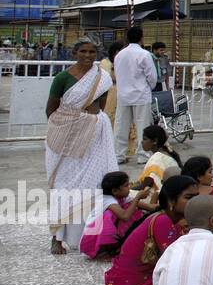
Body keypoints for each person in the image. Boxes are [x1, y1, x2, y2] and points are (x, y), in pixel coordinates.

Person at [44, 36, 120, 255]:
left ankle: (93, 235)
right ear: (74, 53)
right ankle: (57, 237)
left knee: (94, 185)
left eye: (92, 52)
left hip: (95, 137)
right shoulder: (62, 78)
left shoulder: (101, 77)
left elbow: (101, 106)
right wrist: (67, 129)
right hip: (67, 138)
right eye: (83, 52)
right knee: (63, 184)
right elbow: (51, 110)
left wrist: (89, 123)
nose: (87, 56)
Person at [99, 174, 198, 285]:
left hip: (139, 281)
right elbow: (179, 264)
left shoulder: (171, 218)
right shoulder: (163, 221)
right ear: (172, 201)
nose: (195, 202)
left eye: (197, 197)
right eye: (188, 198)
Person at [112, 27, 157, 167]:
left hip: (123, 94)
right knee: (142, 125)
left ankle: (119, 154)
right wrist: (150, 86)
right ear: (141, 38)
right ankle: (143, 155)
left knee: (121, 126)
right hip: (141, 94)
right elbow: (152, 76)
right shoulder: (144, 54)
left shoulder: (119, 55)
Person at [80, 171, 143, 259]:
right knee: (110, 214)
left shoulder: (123, 197)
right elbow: (125, 216)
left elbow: (148, 207)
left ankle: (114, 247)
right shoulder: (107, 200)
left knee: (131, 207)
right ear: (115, 191)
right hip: (93, 236)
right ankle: (103, 250)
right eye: (126, 185)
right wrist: (137, 198)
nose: (129, 188)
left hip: (98, 232)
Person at [134, 123, 183, 189]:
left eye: (145, 139)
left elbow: (145, 185)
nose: (142, 142)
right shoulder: (166, 153)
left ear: (155, 141)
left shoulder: (156, 158)